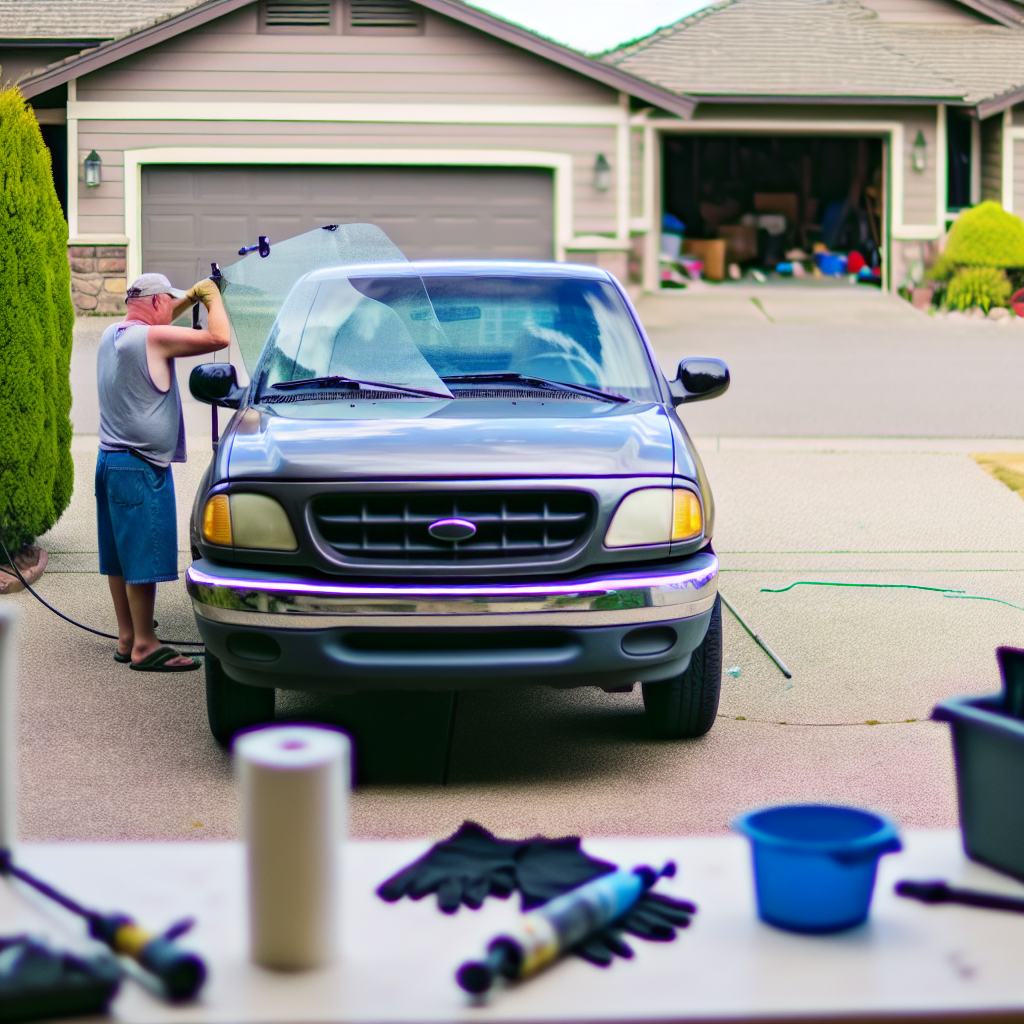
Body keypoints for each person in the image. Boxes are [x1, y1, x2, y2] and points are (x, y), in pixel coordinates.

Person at [96, 272, 230, 671]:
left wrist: (186, 295)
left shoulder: (112, 335)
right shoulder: (152, 340)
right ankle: (145, 646)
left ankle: (127, 637)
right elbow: (218, 338)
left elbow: (158, 321)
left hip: (110, 463)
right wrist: (211, 300)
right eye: (167, 303)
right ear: (156, 304)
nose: (170, 309)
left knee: (120, 558)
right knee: (141, 558)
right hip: (139, 467)